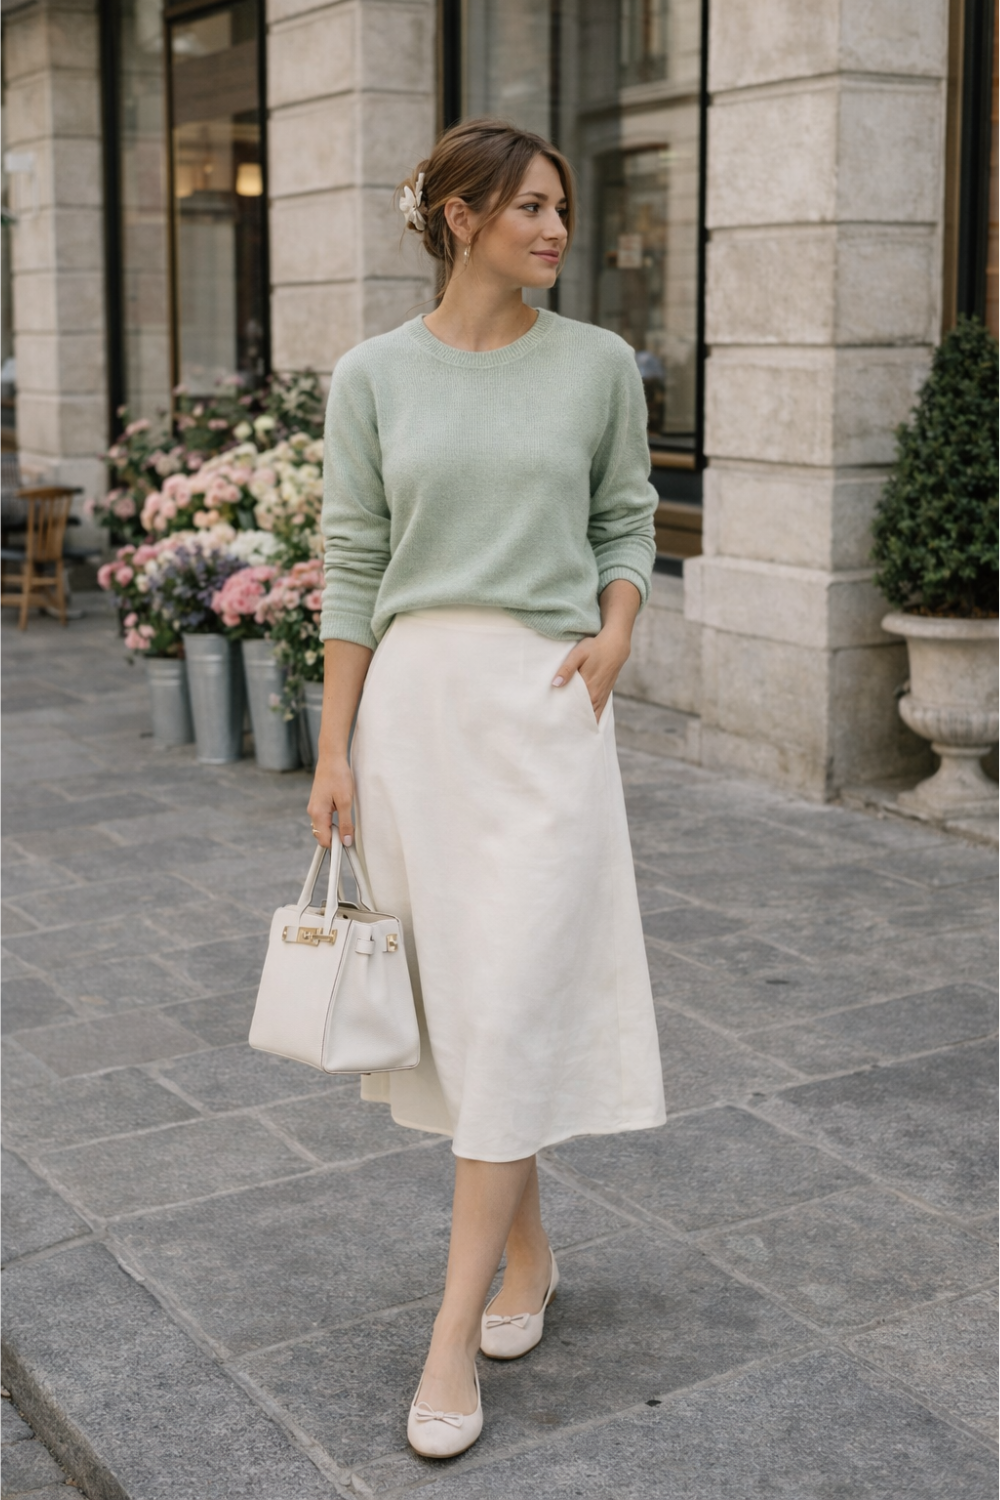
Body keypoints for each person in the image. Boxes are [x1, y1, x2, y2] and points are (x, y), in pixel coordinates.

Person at [307, 116, 666, 1460]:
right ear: (458, 218)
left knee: (510, 998)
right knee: (469, 1016)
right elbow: (352, 564)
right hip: (415, 719)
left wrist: (619, 627)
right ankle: (530, 1260)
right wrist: (334, 750)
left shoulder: (596, 368)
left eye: (562, 208)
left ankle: (449, 1335)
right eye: (529, 207)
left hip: (548, 712)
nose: (556, 230)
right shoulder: (373, 378)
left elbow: (625, 515)